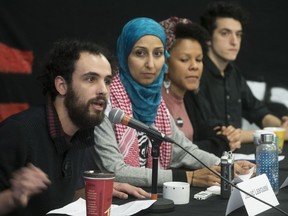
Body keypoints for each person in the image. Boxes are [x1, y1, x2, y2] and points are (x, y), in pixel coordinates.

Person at [84, 17, 254, 190]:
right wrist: (187, 177)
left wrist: (225, 164)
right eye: (140, 53)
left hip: (146, 197)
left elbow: (183, 150)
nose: (150, 64)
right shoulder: (105, 99)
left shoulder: (155, 102)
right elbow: (115, 170)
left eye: (157, 53)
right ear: (124, 54)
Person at [0, 39, 150, 216]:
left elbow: (64, 197)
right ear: (62, 86)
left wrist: (94, 190)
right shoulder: (19, 131)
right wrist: (13, 195)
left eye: (107, 81)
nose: (103, 90)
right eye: (91, 79)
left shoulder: (82, 129)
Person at [190, 1, 288, 143]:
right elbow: (218, 133)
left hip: (238, 157)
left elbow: (257, 111)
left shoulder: (233, 72)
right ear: (208, 38)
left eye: (238, 34)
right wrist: (276, 134)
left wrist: (280, 126)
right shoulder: (196, 74)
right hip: (211, 159)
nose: (234, 41)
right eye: (225, 33)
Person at [159, 17, 241, 157]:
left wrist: (226, 133)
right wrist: (222, 142)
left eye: (199, 59)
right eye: (185, 60)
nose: (194, 66)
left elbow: (205, 128)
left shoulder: (190, 95)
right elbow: (174, 152)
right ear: (165, 63)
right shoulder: (157, 100)